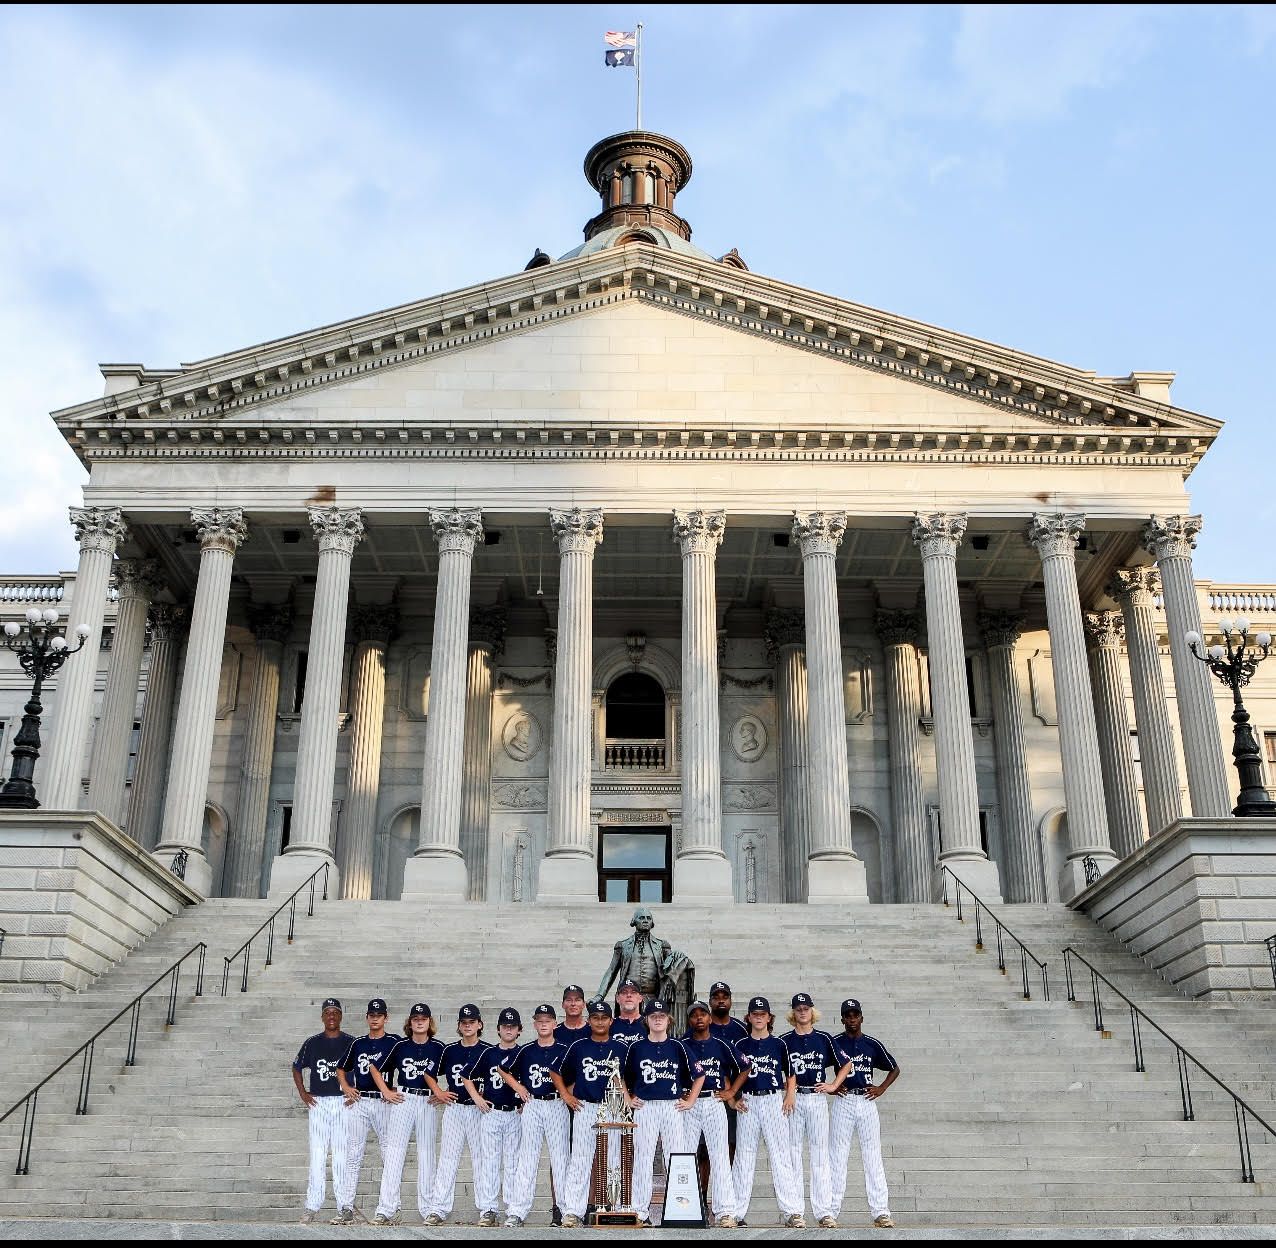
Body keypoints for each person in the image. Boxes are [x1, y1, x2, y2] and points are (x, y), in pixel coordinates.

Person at [623, 997, 705, 1228]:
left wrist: (690, 1101)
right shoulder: (636, 1047)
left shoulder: (678, 1046)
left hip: (671, 1106)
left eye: (661, 1016)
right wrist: (628, 1099)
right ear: (646, 1020)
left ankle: (681, 1209)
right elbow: (620, 1075)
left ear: (668, 1019)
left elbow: (699, 1074)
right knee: (643, 1158)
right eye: (653, 1016)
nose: (657, 1019)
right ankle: (640, 1211)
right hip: (646, 1106)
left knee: (676, 1158)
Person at [726, 995, 806, 1230]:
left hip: (773, 1099)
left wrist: (790, 1093)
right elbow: (728, 1074)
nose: (759, 1018)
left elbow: (790, 1072)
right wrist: (733, 1098)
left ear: (769, 1018)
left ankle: (792, 1212)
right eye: (755, 1014)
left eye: (763, 1014)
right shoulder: (740, 1045)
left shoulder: (779, 1044)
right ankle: (736, 1212)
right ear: (749, 1017)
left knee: (781, 1155)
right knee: (744, 1157)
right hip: (749, 1100)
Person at [822, 998, 900, 1230]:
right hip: (844, 1101)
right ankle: (831, 1211)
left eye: (855, 1015)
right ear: (842, 1019)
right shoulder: (835, 1043)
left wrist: (882, 1087)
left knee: (872, 1156)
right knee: (837, 1157)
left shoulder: (871, 1044)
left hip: (866, 1100)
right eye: (848, 1015)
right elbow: (814, 1065)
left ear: (861, 1018)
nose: (852, 1019)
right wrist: (833, 1085)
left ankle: (881, 1212)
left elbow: (894, 1067)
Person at [369, 1003, 444, 1226]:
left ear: (429, 1022)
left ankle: (429, 1208)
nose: (419, 1021)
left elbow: (453, 1071)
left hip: (427, 1101)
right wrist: (386, 1090)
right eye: (415, 1018)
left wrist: (440, 1093)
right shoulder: (401, 1045)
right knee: (394, 1154)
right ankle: (386, 1209)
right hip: (404, 1098)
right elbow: (375, 1067)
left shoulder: (439, 1046)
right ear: (409, 1023)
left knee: (427, 1155)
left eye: (423, 1018)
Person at [557, 999, 628, 1229]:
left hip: (613, 1107)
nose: (599, 1022)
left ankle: (615, 1209)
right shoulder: (578, 1046)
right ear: (589, 1021)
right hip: (586, 1107)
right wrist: (567, 1096)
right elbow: (557, 1072)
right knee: (580, 1159)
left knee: (613, 1160)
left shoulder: (620, 1048)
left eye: (603, 1018)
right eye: (595, 1018)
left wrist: (627, 1100)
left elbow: (628, 1079)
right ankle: (572, 1212)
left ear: (611, 1021)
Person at [332, 998, 402, 1225]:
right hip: (361, 1100)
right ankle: (345, 1207)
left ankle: (390, 1208)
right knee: (353, 1154)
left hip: (383, 1103)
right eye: (371, 1015)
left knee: (388, 1154)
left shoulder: (393, 1041)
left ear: (385, 1018)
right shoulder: (358, 1043)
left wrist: (393, 1090)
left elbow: (408, 1068)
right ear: (367, 1018)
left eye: (379, 1015)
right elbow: (340, 1068)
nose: (375, 1018)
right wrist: (346, 1087)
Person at [502, 1004, 571, 1228]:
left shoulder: (564, 1048)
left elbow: (576, 1074)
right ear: (534, 1024)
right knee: (527, 1158)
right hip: (533, 1104)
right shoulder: (526, 1050)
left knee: (561, 1159)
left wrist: (566, 1093)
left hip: (556, 1104)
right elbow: (504, 1070)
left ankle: (565, 1209)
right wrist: (519, 1089)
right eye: (539, 1021)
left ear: (555, 1024)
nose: (543, 1024)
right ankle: (517, 1211)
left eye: (547, 1020)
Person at [424, 1004, 492, 1226]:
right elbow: (428, 1072)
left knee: (482, 1160)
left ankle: (487, 1209)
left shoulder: (488, 1050)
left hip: (479, 1110)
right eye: (464, 1023)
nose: (468, 1026)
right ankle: (438, 1209)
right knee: (448, 1159)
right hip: (455, 1108)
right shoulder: (449, 1050)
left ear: (479, 1025)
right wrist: (439, 1092)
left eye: (472, 1022)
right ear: (459, 1026)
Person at [780, 992, 840, 1228]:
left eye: (806, 1008)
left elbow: (845, 1063)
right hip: (794, 1099)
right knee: (792, 1153)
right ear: (793, 1013)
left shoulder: (824, 1038)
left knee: (819, 1154)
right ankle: (794, 1212)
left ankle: (824, 1211)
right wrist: (788, 1090)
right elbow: (778, 1068)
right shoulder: (785, 1040)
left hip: (816, 1097)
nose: (802, 1011)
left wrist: (834, 1085)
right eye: (798, 1008)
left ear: (812, 1011)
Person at [291, 997, 353, 1224]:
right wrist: (303, 1093)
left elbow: (365, 1070)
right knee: (317, 1154)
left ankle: (344, 1206)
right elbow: (296, 1067)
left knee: (341, 1156)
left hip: (342, 1103)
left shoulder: (350, 1042)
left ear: (340, 1016)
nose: (331, 1016)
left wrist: (356, 1093)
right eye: (327, 1012)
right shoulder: (312, 1042)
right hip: (318, 1103)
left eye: (335, 1012)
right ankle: (312, 1205)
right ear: (322, 1017)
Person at [680, 999, 741, 1229]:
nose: (699, 1018)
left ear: (709, 1017)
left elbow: (744, 1066)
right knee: (685, 1156)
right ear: (689, 1019)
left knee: (720, 1157)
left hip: (714, 1101)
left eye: (702, 1014)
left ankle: (726, 1212)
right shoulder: (682, 1043)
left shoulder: (721, 1044)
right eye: (694, 1015)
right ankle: (686, 1208)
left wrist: (732, 1091)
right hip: (690, 1104)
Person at [470, 1006, 525, 1226]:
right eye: (505, 1026)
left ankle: (512, 1208)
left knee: (513, 1162)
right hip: (492, 1112)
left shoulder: (523, 1053)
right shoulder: (488, 1053)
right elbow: (467, 1076)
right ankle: (489, 1209)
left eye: (512, 1027)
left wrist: (525, 1102)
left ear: (519, 1030)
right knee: (490, 1161)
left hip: (514, 1113)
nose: (508, 1030)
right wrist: (477, 1098)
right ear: (498, 1030)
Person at [609, 978, 646, 1051]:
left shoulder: (649, 1024)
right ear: (617, 998)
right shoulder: (609, 1025)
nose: (629, 995)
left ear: (640, 998)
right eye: (624, 992)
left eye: (633, 992)